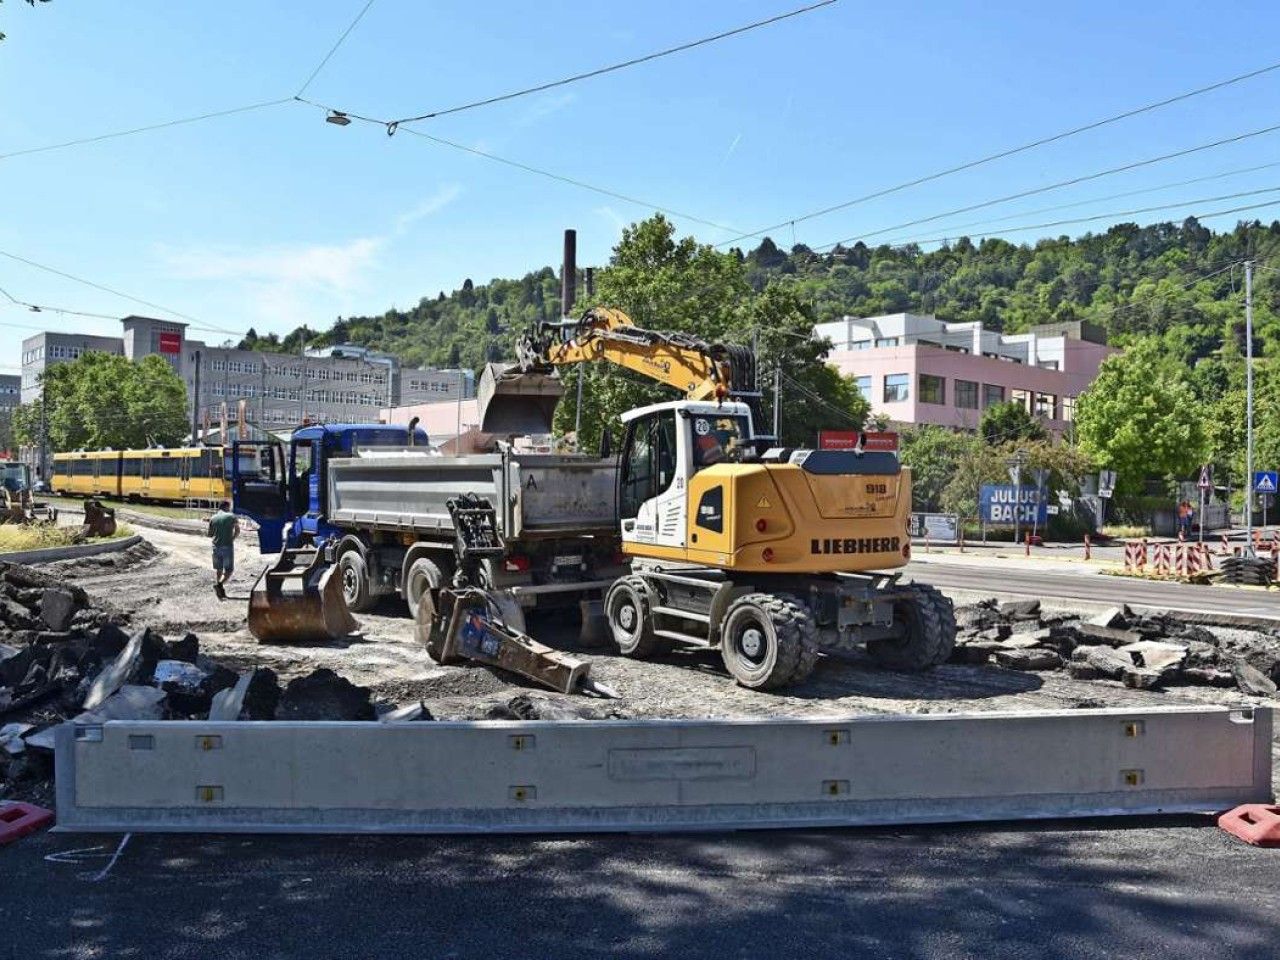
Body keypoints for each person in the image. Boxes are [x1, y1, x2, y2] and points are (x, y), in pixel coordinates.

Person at [207, 500, 239, 600]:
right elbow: (237, 531)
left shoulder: (213, 518)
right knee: (229, 570)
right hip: (227, 546)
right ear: (227, 507)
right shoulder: (231, 517)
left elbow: (210, 534)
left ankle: (220, 590)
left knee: (219, 569)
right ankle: (220, 585)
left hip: (215, 547)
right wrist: (232, 539)